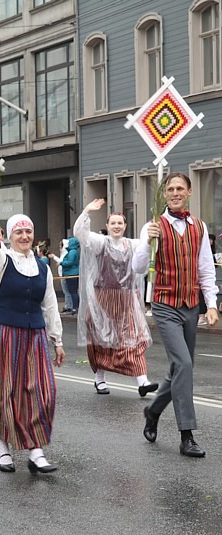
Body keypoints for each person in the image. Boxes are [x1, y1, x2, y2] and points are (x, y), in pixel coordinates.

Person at [0, 189, 65, 474]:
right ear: (10, 236)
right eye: (18, 232)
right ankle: (3, 447)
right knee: (6, 390)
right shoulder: (1, 262)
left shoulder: (43, 266)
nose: (23, 236)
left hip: (34, 334)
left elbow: (50, 305)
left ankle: (36, 450)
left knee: (42, 391)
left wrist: (57, 340)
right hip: (5, 333)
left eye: (27, 231)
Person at [133, 172, 218, 458]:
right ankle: (187, 434)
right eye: (170, 188)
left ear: (189, 192)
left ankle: (153, 410)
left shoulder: (199, 227)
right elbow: (138, 268)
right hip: (165, 303)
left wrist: (213, 303)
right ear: (165, 194)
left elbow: (205, 267)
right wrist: (148, 243)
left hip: (191, 305)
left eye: (180, 188)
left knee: (180, 368)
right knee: (183, 364)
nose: (175, 192)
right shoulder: (153, 226)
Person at [74, 199, 157, 397]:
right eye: (113, 223)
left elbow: (148, 246)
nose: (117, 226)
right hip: (103, 299)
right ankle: (99, 378)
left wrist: (153, 231)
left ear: (125, 226)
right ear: (107, 226)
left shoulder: (133, 245)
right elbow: (80, 233)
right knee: (100, 339)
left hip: (127, 299)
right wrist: (86, 211)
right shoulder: (100, 243)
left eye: (120, 223)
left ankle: (142, 380)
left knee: (133, 338)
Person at [48, 240, 73, 313]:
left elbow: (61, 262)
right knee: (66, 291)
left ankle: (69, 306)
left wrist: (54, 257)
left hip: (64, 274)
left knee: (67, 291)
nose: (59, 246)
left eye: (60, 244)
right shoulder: (64, 253)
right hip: (62, 274)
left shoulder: (65, 253)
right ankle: (68, 305)